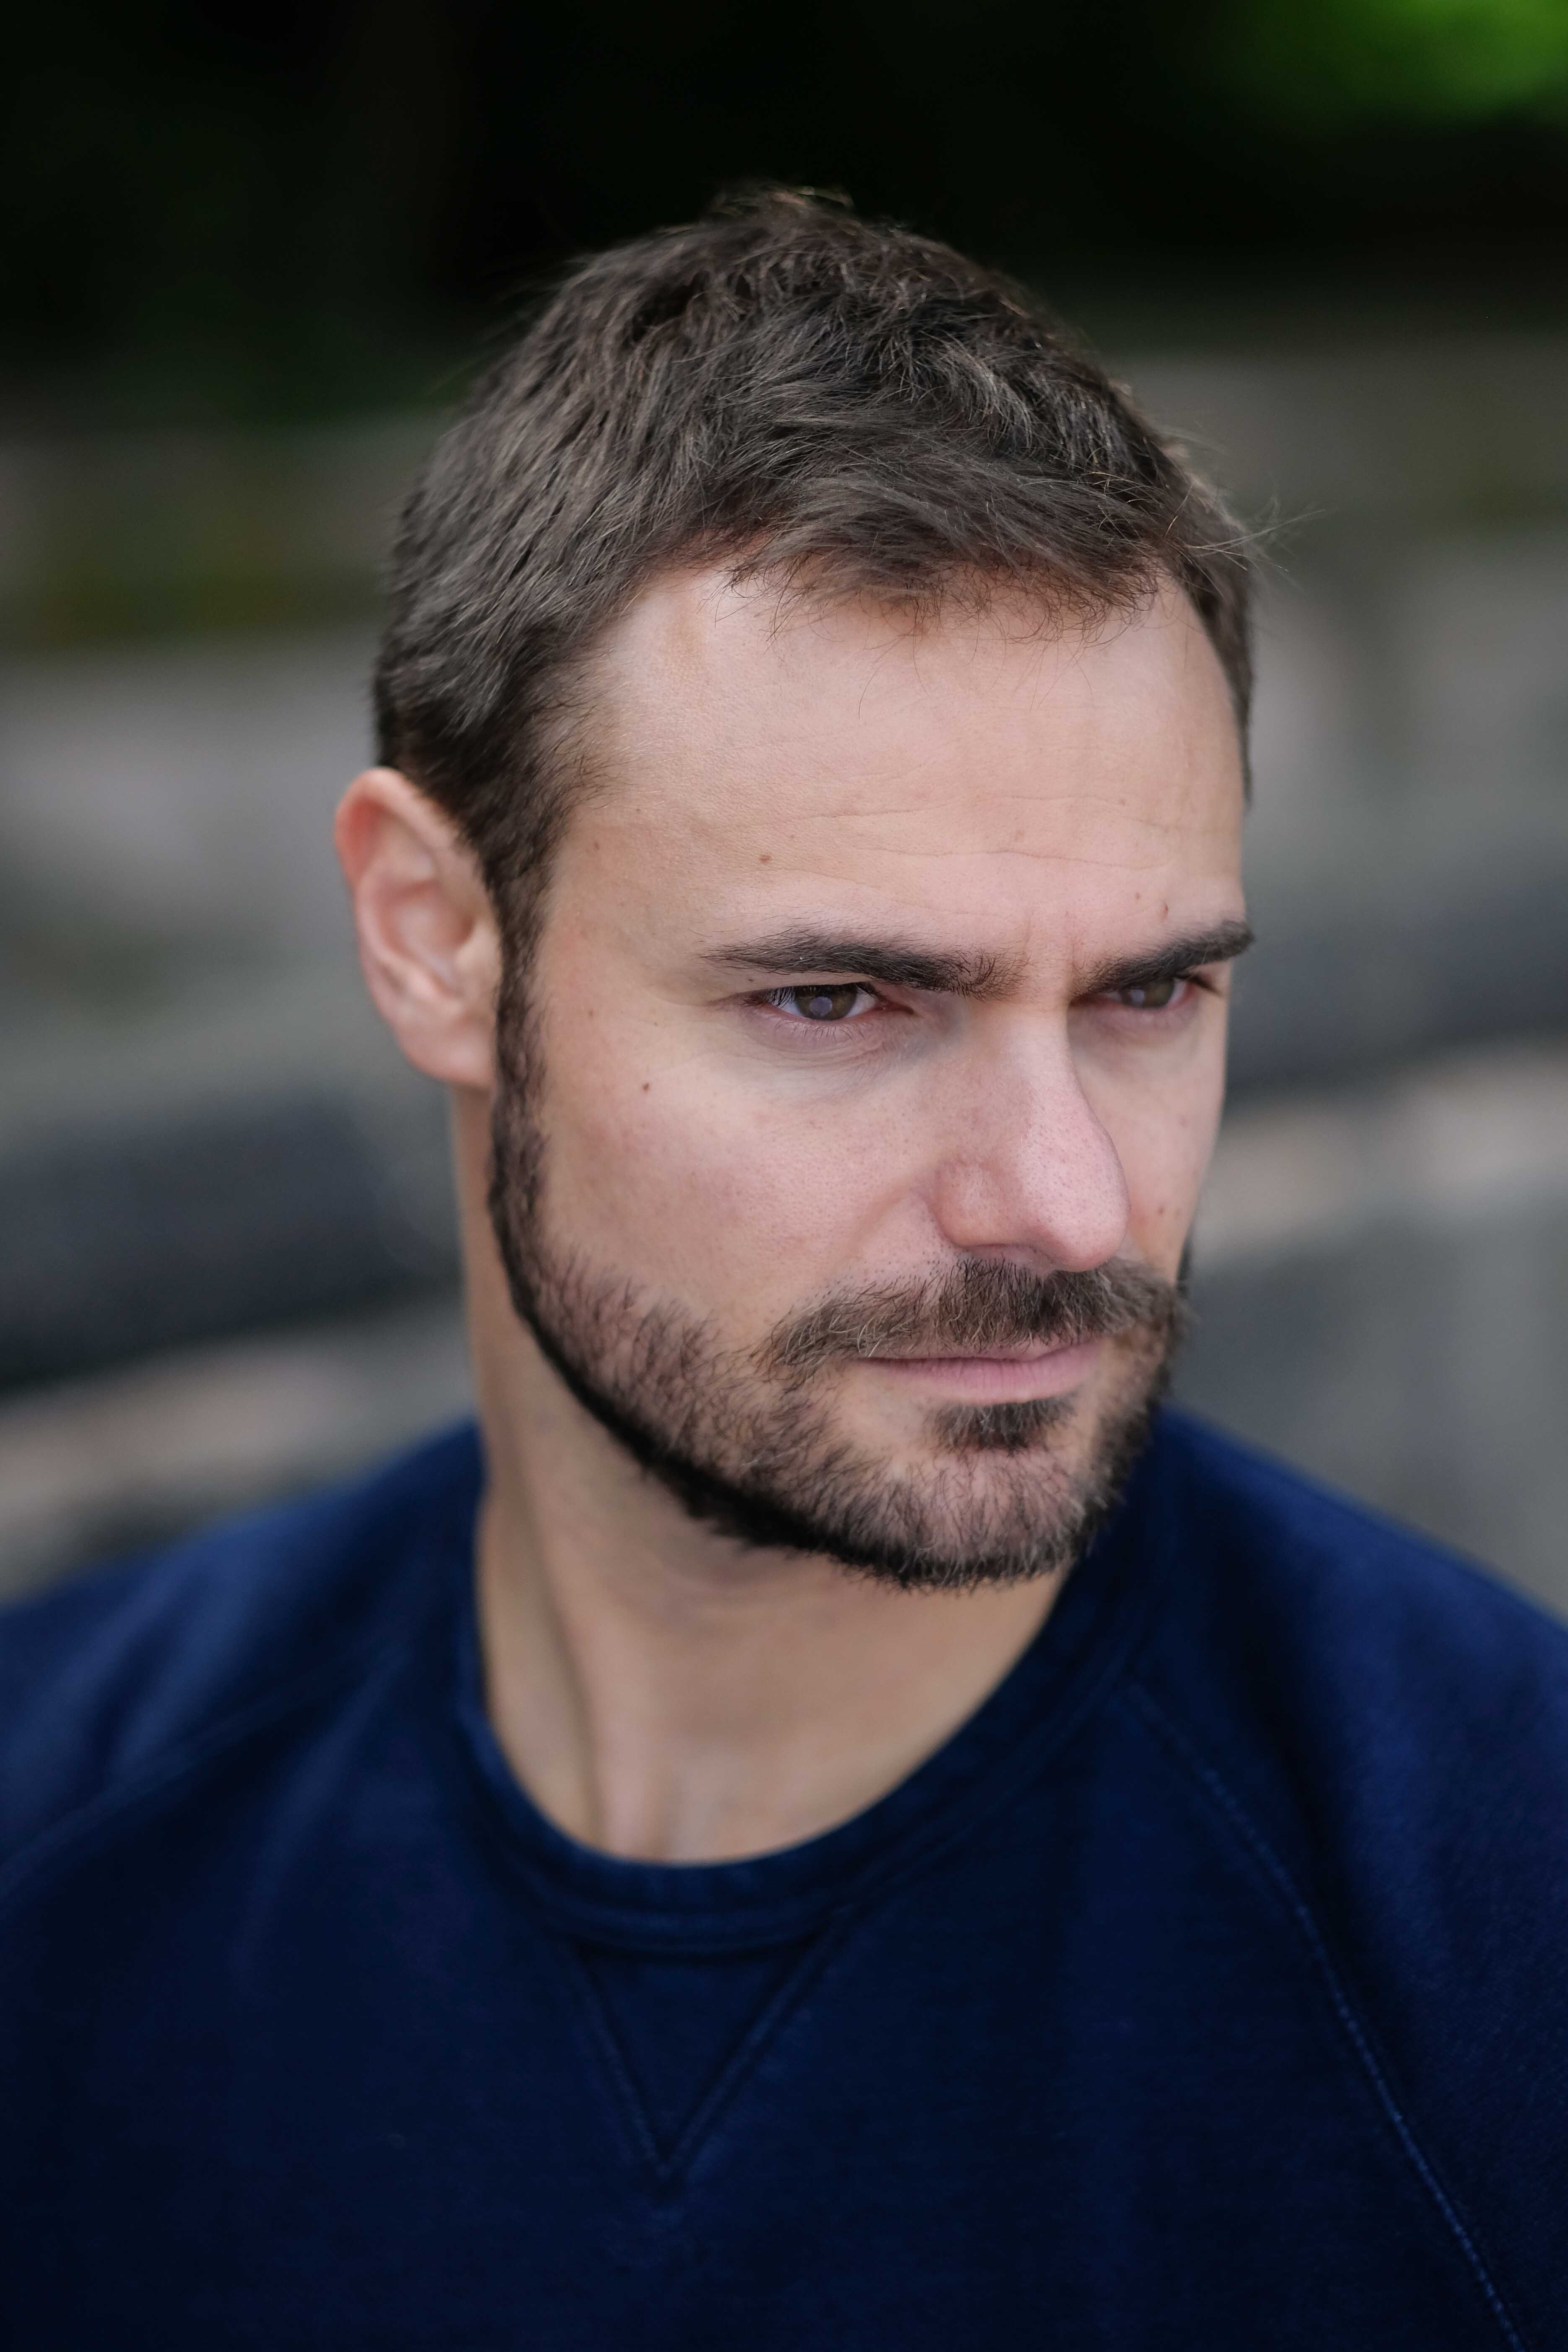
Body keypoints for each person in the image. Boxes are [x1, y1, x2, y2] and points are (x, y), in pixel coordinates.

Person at [3, 192, 1565, 2352]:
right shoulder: (58, 1832)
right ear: (437, 940)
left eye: (1149, 997)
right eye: (838, 1002)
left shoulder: (1501, 1934)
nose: (1065, 1207)